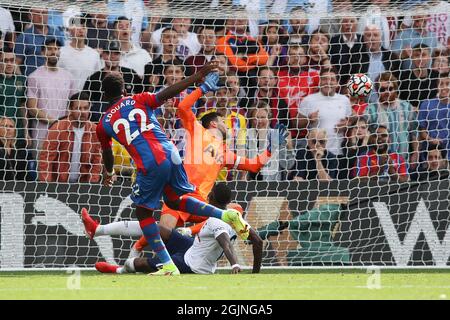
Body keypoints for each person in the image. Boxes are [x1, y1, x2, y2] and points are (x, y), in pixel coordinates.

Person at [95, 62, 250, 275]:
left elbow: (107, 153)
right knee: (175, 201)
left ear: (103, 96)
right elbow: (168, 93)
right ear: (124, 90)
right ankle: (224, 215)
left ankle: (167, 265)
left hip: (150, 162)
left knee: (144, 214)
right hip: (172, 154)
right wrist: (198, 77)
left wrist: (109, 172)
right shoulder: (138, 99)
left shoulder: (103, 124)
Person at [90, 183, 263, 275]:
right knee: (160, 228)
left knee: (137, 263)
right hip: (193, 247)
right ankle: (100, 229)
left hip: (192, 265)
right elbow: (258, 241)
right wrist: (255, 273)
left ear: (210, 196)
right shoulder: (235, 216)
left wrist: (235, 264)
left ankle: (119, 269)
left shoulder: (215, 221)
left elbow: (225, 242)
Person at [26, 37, 77, 153]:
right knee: (42, 169)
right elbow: (32, 108)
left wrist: (64, 124)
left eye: (57, 49)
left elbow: (74, 104)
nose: (54, 52)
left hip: (64, 134)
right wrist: (54, 122)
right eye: (50, 49)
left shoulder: (68, 77)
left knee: (62, 169)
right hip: (41, 135)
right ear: (43, 53)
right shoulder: (34, 77)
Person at [38, 92, 102, 183]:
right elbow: (46, 160)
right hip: (58, 185)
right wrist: (47, 186)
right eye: (78, 108)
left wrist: (91, 186)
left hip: (83, 186)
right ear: (70, 110)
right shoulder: (57, 128)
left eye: (86, 108)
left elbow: (97, 162)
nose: (82, 112)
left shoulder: (95, 131)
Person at [365, 71, 419, 166]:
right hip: (378, 164)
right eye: (383, 89)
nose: (387, 92)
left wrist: (416, 153)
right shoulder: (371, 109)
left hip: (403, 164)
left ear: (396, 89)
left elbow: (414, 133)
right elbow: (361, 128)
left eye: (390, 88)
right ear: (377, 91)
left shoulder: (407, 107)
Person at [298, 69, 354, 158]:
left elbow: (351, 121)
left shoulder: (344, 100)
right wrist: (309, 120)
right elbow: (296, 124)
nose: (328, 82)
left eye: (332, 79)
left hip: (337, 153)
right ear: (320, 81)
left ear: (337, 83)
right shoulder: (308, 100)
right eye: (324, 79)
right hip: (315, 153)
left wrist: (348, 124)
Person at [83, 40, 143, 122]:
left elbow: (142, 95)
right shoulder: (93, 79)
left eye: (116, 53)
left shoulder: (131, 74)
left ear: (120, 55)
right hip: (102, 121)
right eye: (108, 53)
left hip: (128, 120)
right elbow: (85, 102)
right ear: (103, 55)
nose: (112, 56)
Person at [14, 7, 65, 76]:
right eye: (37, 13)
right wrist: (23, 81)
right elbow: (16, 63)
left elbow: (63, 57)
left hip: (55, 80)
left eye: (44, 13)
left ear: (48, 15)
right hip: (33, 83)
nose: (40, 16)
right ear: (30, 16)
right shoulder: (24, 37)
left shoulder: (57, 34)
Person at [57, 14, 102, 91]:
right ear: (70, 30)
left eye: (83, 27)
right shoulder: (60, 52)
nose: (81, 30)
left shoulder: (94, 55)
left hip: (87, 99)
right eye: (78, 27)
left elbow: (97, 79)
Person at [418, 74, 450, 161]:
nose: (444, 87)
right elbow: (422, 132)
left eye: (447, 83)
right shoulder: (426, 104)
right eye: (441, 84)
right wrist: (431, 140)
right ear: (437, 86)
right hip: (431, 155)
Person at [0, 50, 27, 148]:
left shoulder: (21, 80)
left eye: (12, 60)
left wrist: (26, 131)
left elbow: (22, 106)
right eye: (5, 60)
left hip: (17, 132)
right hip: (1, 132)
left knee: (18, 161)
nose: (9, 64)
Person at [398, 44, 439, 108]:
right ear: (412, 57)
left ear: (429, 57)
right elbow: (400, 101)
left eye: (423, 55)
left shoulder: (436, 76)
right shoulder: (403, 77)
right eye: (417, 55)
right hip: (410, 115)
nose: (420, 59)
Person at [0, 116, 30, 181]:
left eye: (11, 126)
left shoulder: (19, 152)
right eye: (5, 126)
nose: (8, 129)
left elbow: (24, 175)